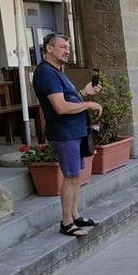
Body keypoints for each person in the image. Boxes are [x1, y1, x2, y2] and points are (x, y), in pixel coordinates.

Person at [32, 33, 103, 238]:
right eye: (62, 47)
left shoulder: (58, 72)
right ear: (49, 48)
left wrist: (84, 92)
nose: (67, 50)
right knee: (71, 176)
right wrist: (88, 104)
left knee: (76, 175)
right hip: (65, 133)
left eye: (68, 47)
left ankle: (75, 215)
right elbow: (60, 107)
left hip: (74, 131)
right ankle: (67, 222)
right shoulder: (46, 73)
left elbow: (69, 99)